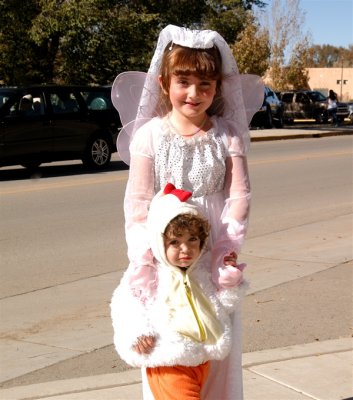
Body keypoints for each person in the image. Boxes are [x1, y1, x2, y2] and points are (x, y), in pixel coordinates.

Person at [111, 24, 264, 400]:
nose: (194, 94)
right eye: (183, 82)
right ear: (164, 83)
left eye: (205, 85)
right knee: (167, 340)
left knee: (215, 341)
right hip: (165, 250)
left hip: (210, 248)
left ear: (217, 88)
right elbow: (138, 202)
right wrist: (146, 255)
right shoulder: (150, 135)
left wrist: (227, 247)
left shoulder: (226, 134)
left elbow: (239, 195)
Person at [111, 183, 247, 400]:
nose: (186, 249)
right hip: (168, 361)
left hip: (199, 360)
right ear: (159, 242)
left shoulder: (201, 271)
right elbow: (125, 304)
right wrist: (138, 332)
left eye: (192, 239)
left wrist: (229, 281)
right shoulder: (150, 273)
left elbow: (220, 307)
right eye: (175, 241)